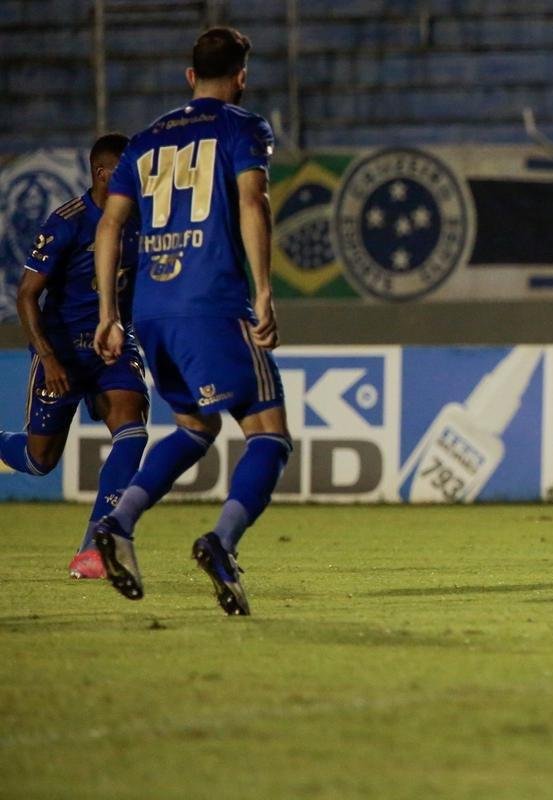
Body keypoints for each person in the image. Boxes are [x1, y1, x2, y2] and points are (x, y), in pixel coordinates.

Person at [91, 26, 291, 616]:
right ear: (241, 77)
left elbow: (110, 226)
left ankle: (120, 522)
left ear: (188, 76)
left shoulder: (147, 140)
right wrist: (262, 292)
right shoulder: (243, 127)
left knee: (196, 427)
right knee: (270, 435)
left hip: (152, 312)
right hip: (212, 305)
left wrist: (108, 313)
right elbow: (253, 202)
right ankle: (221, 543)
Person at [0, 134, 147, 581]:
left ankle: (95, 549)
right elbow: (27, 296)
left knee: (132, 429)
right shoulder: (67, 221)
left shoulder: (141, 219)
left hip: (113, 344)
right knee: (40, 461)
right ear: (103, 173)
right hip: (62, 348)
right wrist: (48, 357)